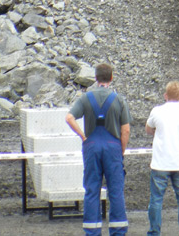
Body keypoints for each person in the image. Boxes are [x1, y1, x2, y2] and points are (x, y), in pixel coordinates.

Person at [66, 62, 131, 236]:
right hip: (113, 148)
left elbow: (69, 117)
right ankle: (118, 230)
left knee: (92, 189)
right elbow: (126, 130)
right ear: (111, 78)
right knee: (116, 191)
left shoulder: (86, 98)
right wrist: (121, 150)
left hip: (92, 147)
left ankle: (92, 231)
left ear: (96, 78)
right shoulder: (119, 99)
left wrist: (83, 136)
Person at [145, 81, 179, 236]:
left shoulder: (157, 111)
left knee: (156, 199)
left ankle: (154, 231)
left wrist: (159, 134)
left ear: (165, 95)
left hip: (160, 163)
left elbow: (148, 129)